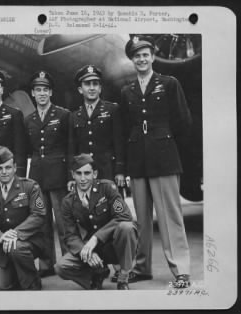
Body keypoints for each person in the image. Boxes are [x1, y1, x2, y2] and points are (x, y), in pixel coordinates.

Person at [120, 35, 192, 288]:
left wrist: (167, 144)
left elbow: (183, 122)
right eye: (136, 55)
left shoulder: (169, 83)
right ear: (132, 59)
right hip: (138, 160)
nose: (141, 59)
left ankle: (181, 269)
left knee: (170, 216)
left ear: (152, 56)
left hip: (164, 158)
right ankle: (142, 267)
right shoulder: (127, 90)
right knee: (141, 219)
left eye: (145, 54)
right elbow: (126, 127)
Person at [54, 154, 137, 290]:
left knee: (127, 227)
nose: (83, 178)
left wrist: (96, 238)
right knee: (61, 267)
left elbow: (124, 216)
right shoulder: (68, 201)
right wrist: (85, 252)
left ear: (95, 174)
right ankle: (97, 274)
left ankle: (123, 277)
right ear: (72, 175)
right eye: (78, 173)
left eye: (87, 173)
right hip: (94, 249)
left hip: (115, 243)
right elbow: (70, 236)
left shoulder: (107, 188)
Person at [0, 146, 46, 290]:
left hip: (29, 240)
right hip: (3, 243)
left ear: (15, 167)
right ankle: (15, 274)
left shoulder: (30, 187)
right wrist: (1, 237)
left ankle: (32, 283)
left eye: (8, 167)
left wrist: (15, 234)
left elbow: (38, 215)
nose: (4, 172)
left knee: (16, 248)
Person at [24, 71, 70, 277]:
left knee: (63, 222)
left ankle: (70, 261)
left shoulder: (62, 115)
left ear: (51, 92)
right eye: (38, 90)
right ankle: (46, 263)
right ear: (32, 93)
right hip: (37, 177)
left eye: (45, 90)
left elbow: (70, 148)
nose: (42, 93)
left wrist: (71, 176)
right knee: (41, 221)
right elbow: (27, 149)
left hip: (59, 175)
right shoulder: (29, 119)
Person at [68, 65, 125, 191]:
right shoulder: (74, 116)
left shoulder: (112, 110)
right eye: (87, 84)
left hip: (108, 171)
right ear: (80, 89)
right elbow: (72, 149)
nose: (92, 88)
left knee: (114, 209)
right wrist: (71, 176)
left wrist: (120, 171)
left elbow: (119, 143)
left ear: (100, 88)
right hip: (84, 175)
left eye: (95, 84)